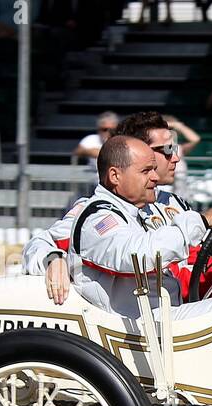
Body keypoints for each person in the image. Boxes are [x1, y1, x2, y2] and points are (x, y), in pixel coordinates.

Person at [28, 111, 200, 304]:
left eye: (174, 148)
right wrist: (53, 258)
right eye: (167, 149)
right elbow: (41, 243)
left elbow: (196, 262)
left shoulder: (175, 203)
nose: (175, 157)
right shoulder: (95, 212)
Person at [64, 135, 212, 317]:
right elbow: (141, 257)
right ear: (115, 176)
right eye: (145, 171)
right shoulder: (98, 218)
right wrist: (202, 220)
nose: (155, 177)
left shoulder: (134, 211)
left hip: (159, 317)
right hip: (140, 326)